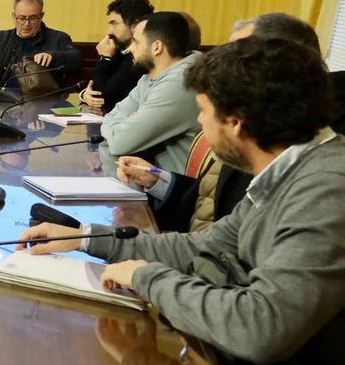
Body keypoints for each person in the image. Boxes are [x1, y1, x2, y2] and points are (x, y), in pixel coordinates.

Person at [17, 38, 345, 365]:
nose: (199, 125)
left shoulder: (326, 187)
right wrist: (86, 238)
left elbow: (262, 327)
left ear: (237, 122)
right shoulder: (293, 170)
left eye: (205, 113)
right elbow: (205, 247)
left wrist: (147, 279)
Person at [120, 12, 345, 232]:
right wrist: (160, 181)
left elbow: (227, 248)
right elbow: (212, 204)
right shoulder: (253, 129)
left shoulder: (311, 168)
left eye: (237, 56)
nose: (222, 65)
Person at [99, 11, 201, 174]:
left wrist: (127, 123)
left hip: (179, 186)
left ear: (157, 47)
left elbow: (119, 142)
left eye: (136, 42)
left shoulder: (180, 82)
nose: (130, 49)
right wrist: (127, 121)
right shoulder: (150, 74)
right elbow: (112, 114)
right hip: (150, 178)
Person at [79, 0, 154, 114]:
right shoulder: (119, 50)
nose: (108, 31)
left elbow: (102, 98)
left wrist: (105, 58)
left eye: (114, 23)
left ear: (135, 25)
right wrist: (84, 95)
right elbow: (93, 87)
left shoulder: (140, 58)